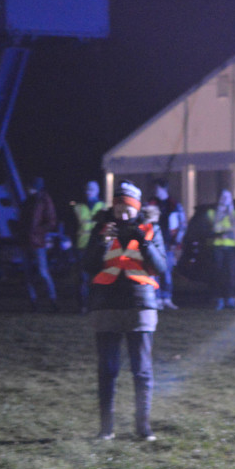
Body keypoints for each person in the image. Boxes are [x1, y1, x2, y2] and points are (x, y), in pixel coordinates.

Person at [82, 180, 167, 441]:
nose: (123, 213)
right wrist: (101, 242)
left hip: (140, 305)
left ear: (137, 208)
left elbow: (162, 268)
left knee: (141, 371)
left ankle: (143, 428)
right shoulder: (101, 229)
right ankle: (106, 429)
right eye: (119, 207)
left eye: (128, 208)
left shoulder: (151, 230)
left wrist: (144, 243)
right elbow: (87, 265)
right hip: (105, 305)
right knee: (107, 370)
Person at [19, 176, 59, 311]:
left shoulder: (43, 200)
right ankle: (34, 301)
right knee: (28, 273)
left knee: (43, 272)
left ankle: (52, 300)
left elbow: (51, 221)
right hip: (27, 240)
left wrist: (37, 231)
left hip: (36, 241)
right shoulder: (28, 201)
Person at [72, 180, 105, 314]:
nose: (88, 192)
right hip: (82, 245)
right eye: (87, 189)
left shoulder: (103, 206)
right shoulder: (78, 207)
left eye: (91, 189)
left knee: (97, 277)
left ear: (96, 191)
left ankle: (95, 305)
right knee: (82, 277)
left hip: (97, 246)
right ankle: (83, 305)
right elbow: (73, 226)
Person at [152, 178, 183, 309]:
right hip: (154, 243)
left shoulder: (174, 205)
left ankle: (166, 298)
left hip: (168, 243)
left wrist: (176, 241)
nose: (155, 191)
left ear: (163, 188)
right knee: (155, 272)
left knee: (167, 272)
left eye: (157, 188)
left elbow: (181, 224)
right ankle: (157, 298)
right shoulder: (152, 204)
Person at [207, 188, 235, 310]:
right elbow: (212, 229)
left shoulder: (234, 214)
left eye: (228, 197)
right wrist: (222, 231)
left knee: (230, 274)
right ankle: (218, 299)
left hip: (231, 247)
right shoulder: (212, 213)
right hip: (217, 246)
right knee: (218, 273)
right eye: (223, 197)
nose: (225, 199)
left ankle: (230, 299)